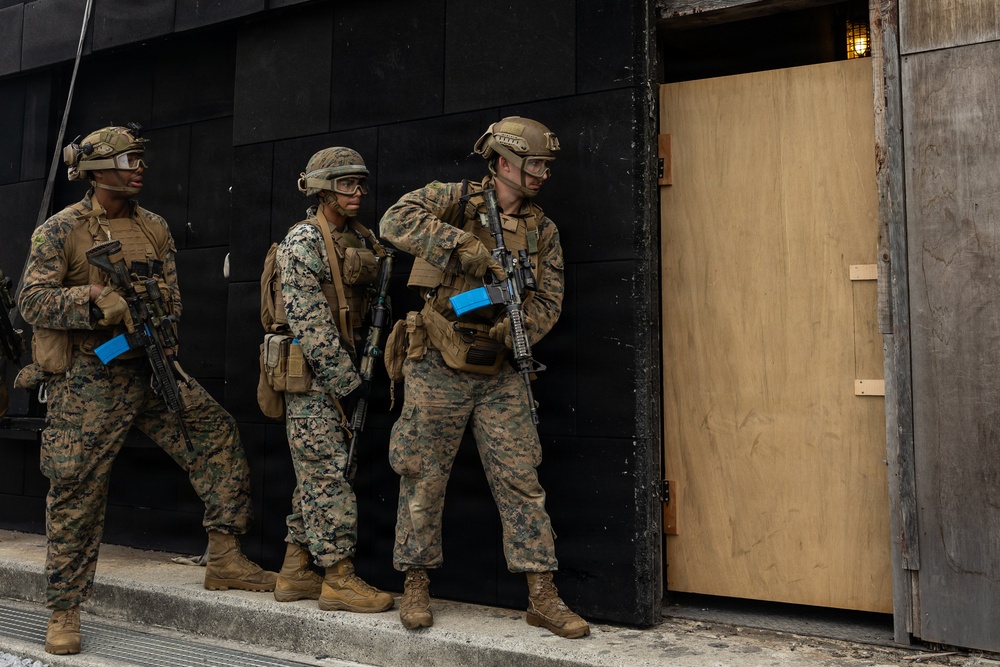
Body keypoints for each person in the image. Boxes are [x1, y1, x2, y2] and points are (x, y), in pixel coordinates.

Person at [18, 124, 277, 656]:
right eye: (128, 160)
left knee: (216, 435)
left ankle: (225, 556)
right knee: (75, 489)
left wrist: (158, 334)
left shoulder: (154, 226)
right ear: (96, 171)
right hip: (91, 375)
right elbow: (32, 301)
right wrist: (93, 300)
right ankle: (65, 608)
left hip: (152, 364)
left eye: (140, 159)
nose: (139, 168)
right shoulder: (60, 229)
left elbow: (172, 297)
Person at [379, 117, 589, 638]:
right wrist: (463, 248)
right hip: (437, 360)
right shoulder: (452, 199)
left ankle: (542, 593)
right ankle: (416, 582)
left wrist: (514, 330)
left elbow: (549, 300)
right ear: (504, 162)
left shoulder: (542, 231)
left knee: (521, 479)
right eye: (534, 163)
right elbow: (394, 221)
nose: (542, 174)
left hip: (499, 368)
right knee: (422, 475)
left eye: (546, 166)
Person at [270, 147, 393, 613]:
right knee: (327, 473)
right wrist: (348, 383)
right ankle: (338, 578)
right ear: (323, 190)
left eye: (360, 183)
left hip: (349, 368)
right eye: (346, 184)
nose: (357, 192)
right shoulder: (303, 240)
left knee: (321, 473)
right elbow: (310, 323)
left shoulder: (360, 237)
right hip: (314, 377)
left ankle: (295, 571)